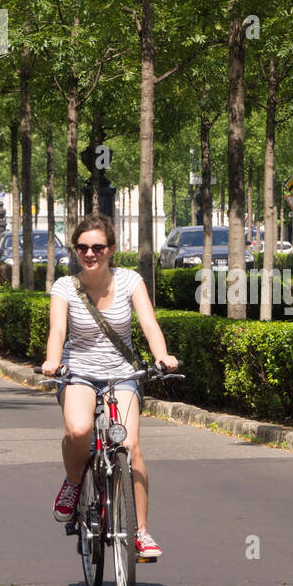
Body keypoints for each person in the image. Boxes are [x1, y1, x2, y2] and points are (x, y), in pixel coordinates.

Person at [39, 212, 178, 560]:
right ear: (75, 251)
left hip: (121, 374)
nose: (90, 254)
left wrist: (161, 356)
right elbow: (57, 330)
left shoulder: (130, 281)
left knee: (130, 446)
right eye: (82, 247)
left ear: (111, 249)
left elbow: (149, 322)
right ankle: (73, 483)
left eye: (97, 247)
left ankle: (141, 532)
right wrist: (52, 361)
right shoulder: (64, 287)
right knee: (80, 428)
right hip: (79, 373)